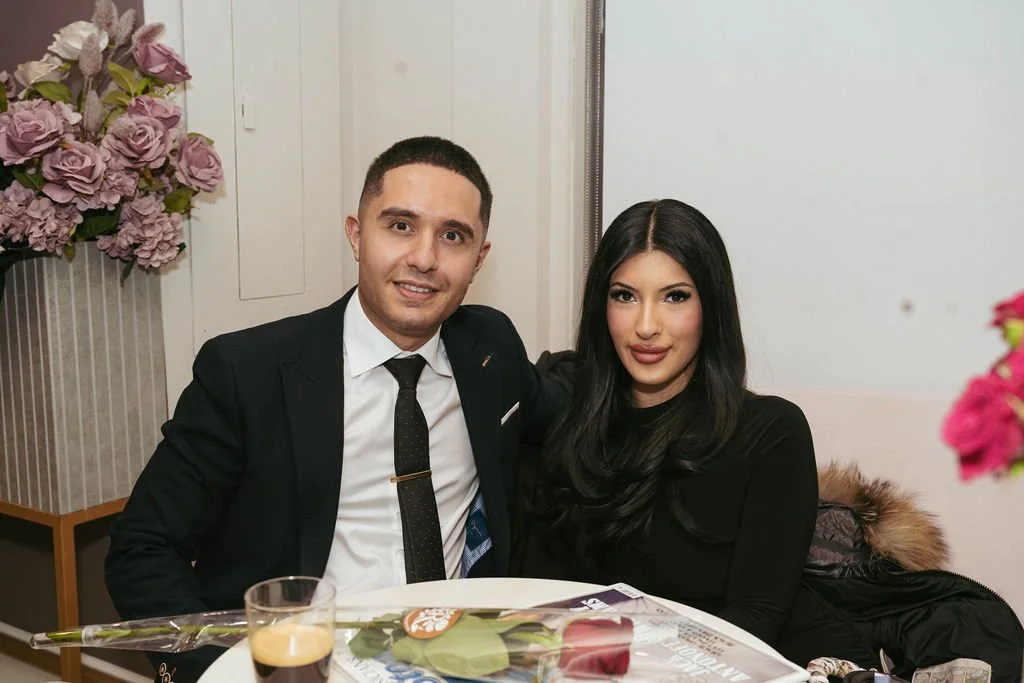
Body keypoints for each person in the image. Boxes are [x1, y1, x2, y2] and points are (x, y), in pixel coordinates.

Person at [106, 136, 567, 683]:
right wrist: (221, 674)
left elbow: (567, 411)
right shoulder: (246, 372)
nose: (423, 258)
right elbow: (143, 548)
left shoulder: (489, 348)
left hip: (458, 654)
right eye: (399, 226)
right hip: (306, 666)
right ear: (355, 234)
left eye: (453, 236)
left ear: (479, 259)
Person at [512, 198, 879, 665]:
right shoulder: (570, 426)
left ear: (711, 307)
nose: (646, 326)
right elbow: (552, 608)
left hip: (771, 662)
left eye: (675, 296)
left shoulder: (772, 432)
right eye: (624, 296)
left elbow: (756, 614)